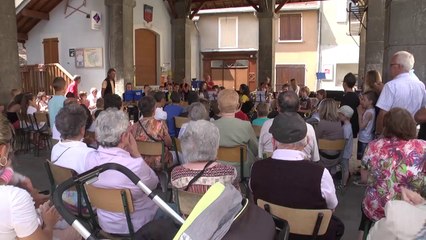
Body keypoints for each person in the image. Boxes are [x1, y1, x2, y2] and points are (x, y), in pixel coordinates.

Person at [250, 112, 344, 240]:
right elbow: (332, 207)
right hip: (310, 235)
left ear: (273, 142)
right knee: (337, 225)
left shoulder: (257, 168)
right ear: (307, 142)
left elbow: (254, 195)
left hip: (273, 232)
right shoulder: (320, 174)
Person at [84, 108, 159, 235]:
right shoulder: (134, 165)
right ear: (124, 136)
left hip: (105, 224)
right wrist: (136, 153)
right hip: (139, 225)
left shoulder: (89, 159)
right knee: (174, 212)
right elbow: (153, 184)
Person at [358, 108, 426, 238]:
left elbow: (364, 178)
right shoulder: (422, 147)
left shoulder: (373, 146)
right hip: (411, 211)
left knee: (367, 206)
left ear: (386, 126)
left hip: (376, 210)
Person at [171, 120, 238, 194]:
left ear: (186, 145)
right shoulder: (229, 173)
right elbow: (237, 201)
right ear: (215, 145)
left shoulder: (177, 175)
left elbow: (176, 201)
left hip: (189, 206)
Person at [259, 91, 319, 162]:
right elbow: (315, 158)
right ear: (298, 107)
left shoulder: (266, 125)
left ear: (278, 107)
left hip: (269, 168)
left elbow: (260, 154)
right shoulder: (309, 128)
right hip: (302, 170)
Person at [375, 51, 426, 136]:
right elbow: (422, 109)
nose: (389, 68)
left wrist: (378, 134)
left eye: (391, 65)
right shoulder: (420, 85)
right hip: (410, 133)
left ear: (399, 66)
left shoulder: (391, 86)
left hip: (391, 134)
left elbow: (382, 114)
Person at [213, 89, 258, 177]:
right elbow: (255, 149)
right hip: (242, 171)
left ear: (218, 106)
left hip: (217, 171)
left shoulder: (211, 126)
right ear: (238, 106)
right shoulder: (245, 125)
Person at [131, 96, 173, 171]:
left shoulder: (134, 126)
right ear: (154, 109)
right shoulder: (160, 124)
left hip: (140, 161)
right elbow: (169, 143)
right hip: (159, 162)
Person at [354, 91, 377, 186]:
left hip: (365, 138)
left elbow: (361, 126)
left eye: (364, 100)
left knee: (364, 159)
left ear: (370, 101)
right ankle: (364, 176)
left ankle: (364, 179)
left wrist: (359, 114)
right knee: (363, 158)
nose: (361, 102)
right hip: (366, 137)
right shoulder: (370, 110)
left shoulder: (369, 113)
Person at [316, 99, 344, 173]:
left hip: (325, 157)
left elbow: (315, 139)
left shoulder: (322, 123)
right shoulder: (339, 122)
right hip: (337, 156)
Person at [337, 105, 354, 189]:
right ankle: (343, 181)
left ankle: (343, 184)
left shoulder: (346, 128)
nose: (339, 116)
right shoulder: (347, 125)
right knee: (344, 167)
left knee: (345, 168)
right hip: (346, 151)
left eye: (340, 115)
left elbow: (345, 140)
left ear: (345, 116)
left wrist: (341, 150)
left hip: (345, 152)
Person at [48, 77, 67, 144]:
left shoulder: (50, 101)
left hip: (53, 128)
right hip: (63, 130)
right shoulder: (65, 100)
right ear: (64, 87)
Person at [340, 72, 360, 137]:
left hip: (346, 126)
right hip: (354, 125)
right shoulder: (356, 96)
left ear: (345, 83)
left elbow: (342, 112)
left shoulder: (345, 97)